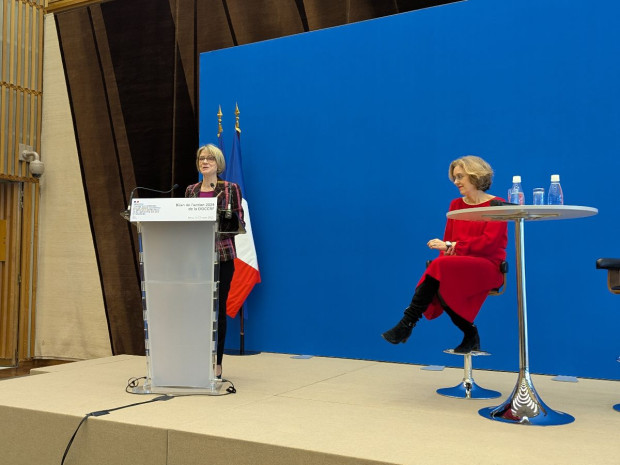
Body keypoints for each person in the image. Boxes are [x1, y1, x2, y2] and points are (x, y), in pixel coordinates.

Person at [382, 155, 507, 353]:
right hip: (458, 263)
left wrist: (451, 247)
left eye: (460, 177)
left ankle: (407, 324)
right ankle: (469, 333)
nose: (456, 182)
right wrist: (445, 255)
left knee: (439, 269)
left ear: (475, 176)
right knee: (438, 272)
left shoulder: (498, 205)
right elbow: (447, 243)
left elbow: (489, 244)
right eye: (454, 178)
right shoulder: (456, 205)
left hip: (488, 265)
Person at [185, 144, 245, 378]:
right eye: (201, 158)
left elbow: (238, 223)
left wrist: (219, 222)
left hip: (222, 257)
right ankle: (196, 359)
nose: (205, 161)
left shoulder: (230, 189)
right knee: (197, 310)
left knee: (217, 310)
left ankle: (216, 362)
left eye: (210, 158)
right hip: (196, 258)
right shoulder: (190, 190)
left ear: (218, 163)